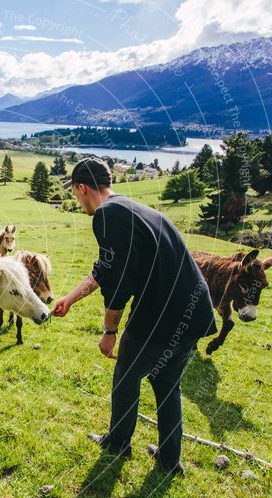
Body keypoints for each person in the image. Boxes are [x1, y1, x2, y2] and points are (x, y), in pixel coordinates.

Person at [53, 157, 217, 475]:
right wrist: (70, 299)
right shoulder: (131, 208)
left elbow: (119, 282)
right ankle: (170, 459)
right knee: (166, 380)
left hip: (163, 314)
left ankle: (118, 444)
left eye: (74, 193)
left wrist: (110, 331)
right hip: (194, 311)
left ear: (81, 188)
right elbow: (106, 267)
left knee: (126, 375)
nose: (77, 199)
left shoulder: (106, 215)